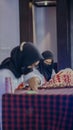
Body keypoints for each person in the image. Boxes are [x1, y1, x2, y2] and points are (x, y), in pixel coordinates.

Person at [0, 42, 45, 129]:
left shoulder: (20, 68)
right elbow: (4, 104)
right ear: (24, 60)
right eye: (31, 65)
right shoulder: (5, 75)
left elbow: (39, 77)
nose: (32, 68)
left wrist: (36, 80)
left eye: (34, 66)